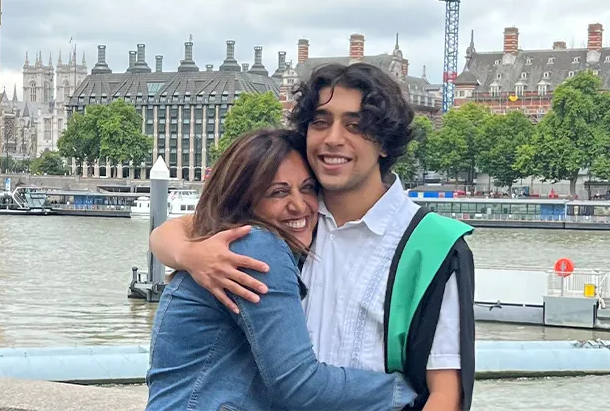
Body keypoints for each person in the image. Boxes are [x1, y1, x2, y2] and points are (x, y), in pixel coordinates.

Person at [150, 63, 476, 411]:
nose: (334, 138)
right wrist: (188, 254)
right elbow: (182, 228)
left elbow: (445, 394)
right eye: (320, 122)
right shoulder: (292, 219)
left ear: (384, 142)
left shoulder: (432, 247)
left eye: (356, 125)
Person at [146, 128, 416, 411]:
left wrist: (183, 251)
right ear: (243, 199)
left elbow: (171, 230)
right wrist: (404, 388)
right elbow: (300, 385)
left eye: (308, 188)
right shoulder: (255, 246)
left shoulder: (218, 238)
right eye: (278, 192)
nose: (298, 205)